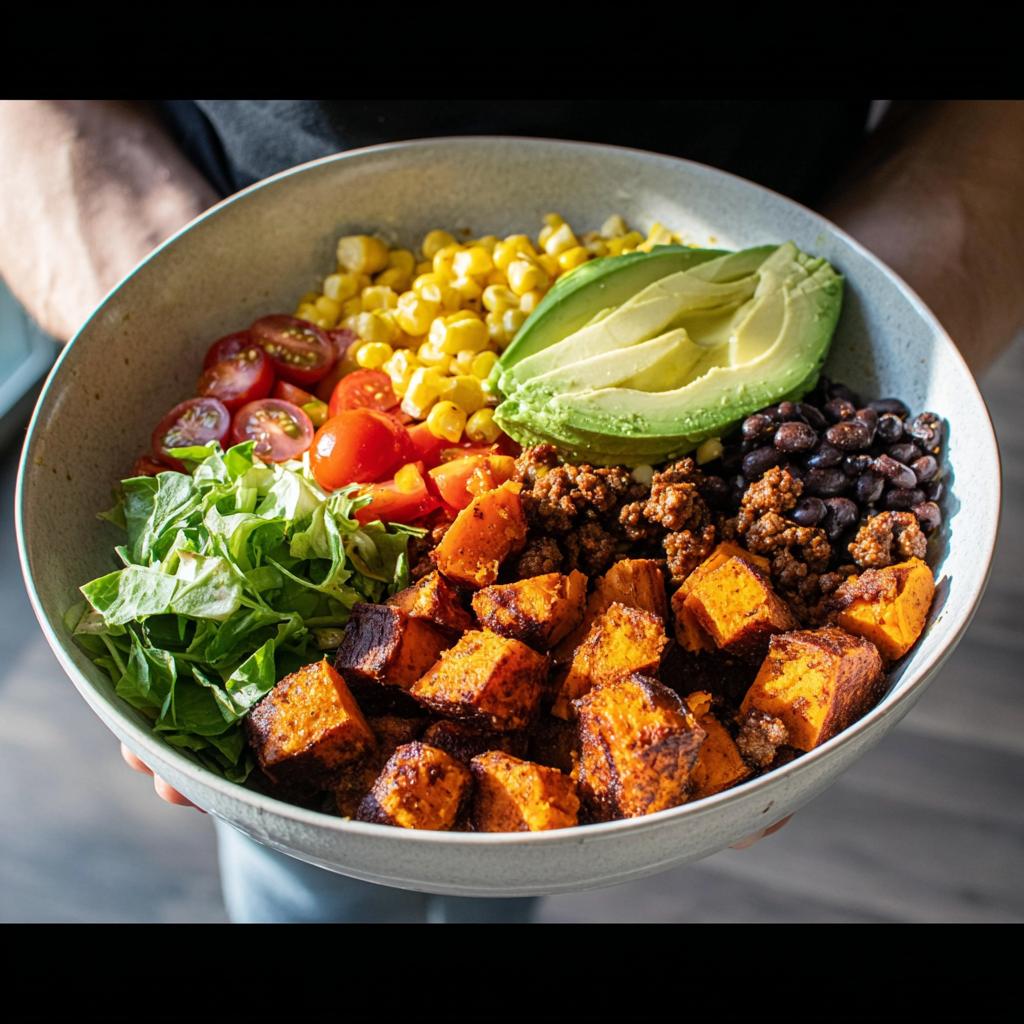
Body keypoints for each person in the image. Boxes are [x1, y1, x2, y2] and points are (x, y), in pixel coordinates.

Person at [3, 100, 1022, 923]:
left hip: (751, 227)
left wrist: (896, 314)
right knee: (311, 880)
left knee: (520, 851)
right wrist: (145, 300)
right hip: (213, 198)